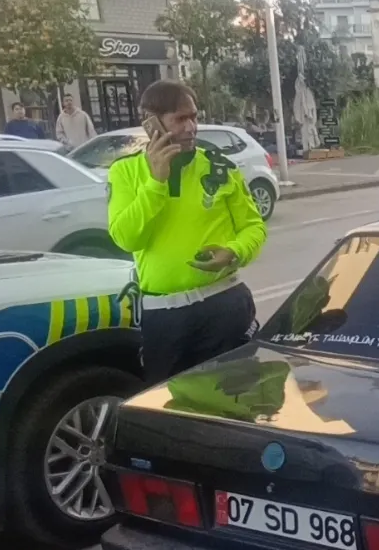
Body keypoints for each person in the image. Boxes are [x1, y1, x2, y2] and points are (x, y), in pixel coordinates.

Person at [108, 79, 267, 383]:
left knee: (238, 402)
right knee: (171, 410)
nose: (191, 127)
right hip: (165, 317)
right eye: (180, 119)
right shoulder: (125, 172)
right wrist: (156, 183)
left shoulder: (220, 168)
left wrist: (234, 251)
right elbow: (127, 238)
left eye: (193, 117)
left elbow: (253, 227)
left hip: (225, 306)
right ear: (152, 125)